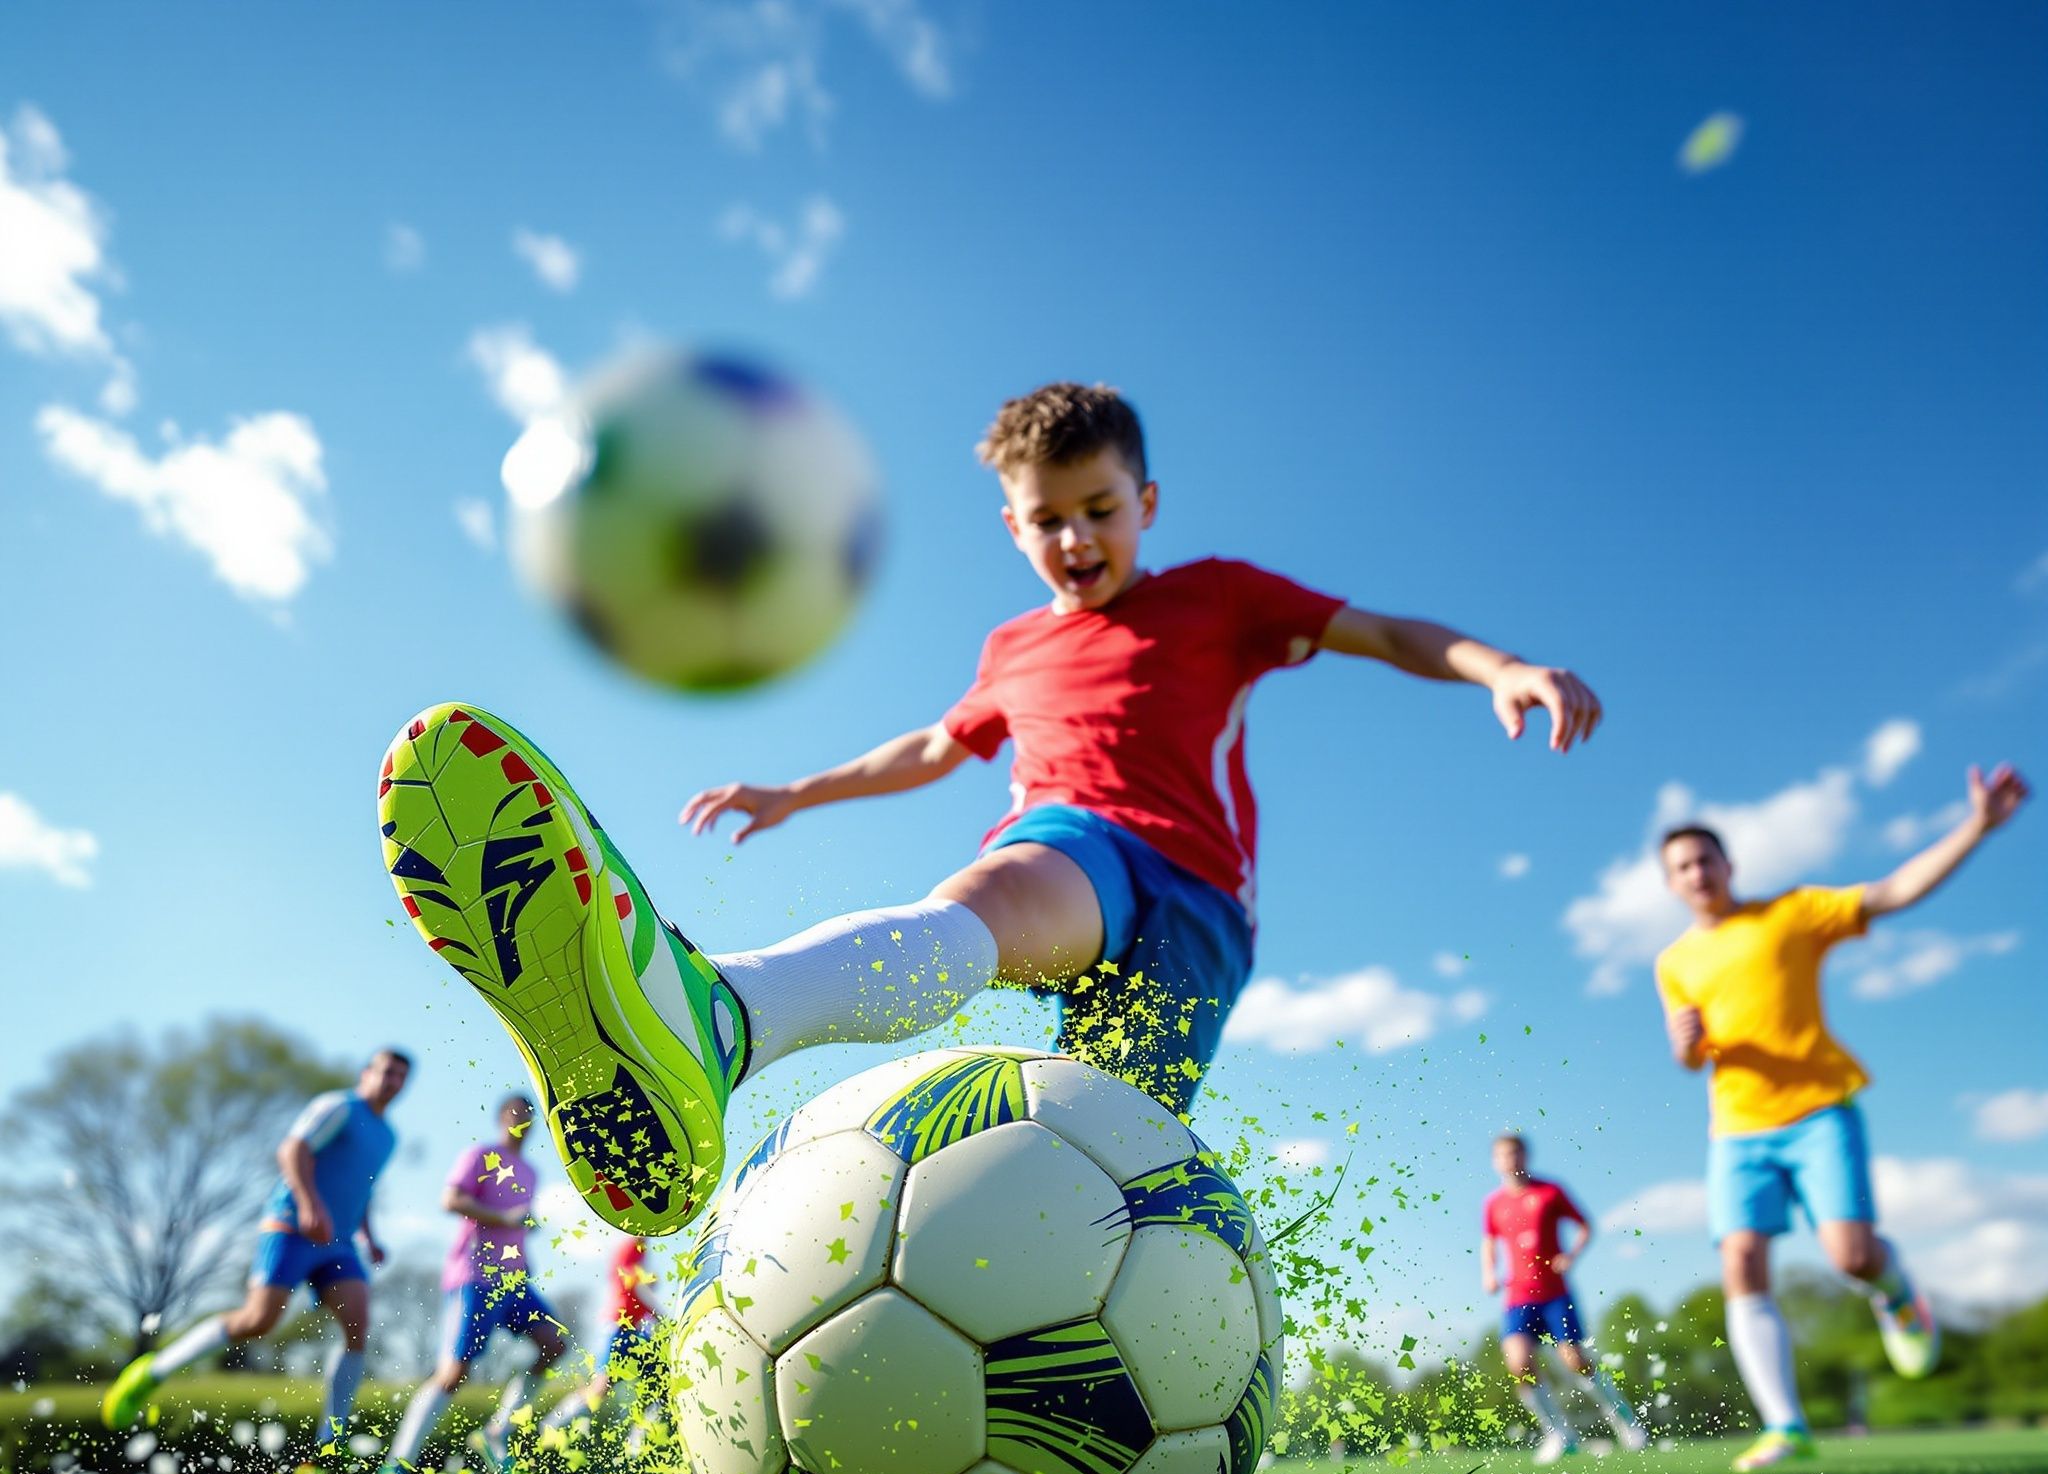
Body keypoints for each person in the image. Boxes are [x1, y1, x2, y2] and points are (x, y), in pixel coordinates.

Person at [378, 381, 1602, 1237]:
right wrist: (796, 791)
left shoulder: (1219, 599)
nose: (1074, 537)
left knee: (1088, 1173)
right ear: (1010, 524)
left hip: (1202, 912)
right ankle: (716, 1014)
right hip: (1079, 845)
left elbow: (1380, 629)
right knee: (987, 899)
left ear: (1147, 503)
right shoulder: (1013, 647)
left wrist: (1498, 667)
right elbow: (931, 745)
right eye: (1047, 518)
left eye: (1098, 509)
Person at [1656, 763, 2031, 1472]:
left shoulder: (1791, 914)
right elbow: (1693, 1053)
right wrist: (1682, 1050)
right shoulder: (1673, 962)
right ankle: (1786, 1425)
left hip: (1820, 1110)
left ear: (1727, 864)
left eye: (1705, 857)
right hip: (1735, 1129)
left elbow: (1891, 892)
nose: (1697, 871)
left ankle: (1897, 1291)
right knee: (1740, 1261)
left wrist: (1977, 826)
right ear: (1671, 884)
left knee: (1851, 1256)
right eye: (1681, 866)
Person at [102, 1050, 412, 1444]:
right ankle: (152, 1371)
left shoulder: (388, 1136)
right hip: (292, 1226)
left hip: (339, 1243)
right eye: (386, 1072)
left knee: (359, 1326)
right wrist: (308, 1204)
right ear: (366, 1073)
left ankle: (328, 1443)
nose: (392, 1082)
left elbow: (362, 1187)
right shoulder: (338, 1107)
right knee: (258, 1320)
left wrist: (369, 1235)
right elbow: (292, 1150)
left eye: (401, 1077)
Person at [379, 1092, 570, 1474]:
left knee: (555, 1343)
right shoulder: (482, 1156)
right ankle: (398, 1465)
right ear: (502, 1117)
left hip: (516, 1280)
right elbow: (450, 1200)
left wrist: (523, 1226)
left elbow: (515, 1220)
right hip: (476, 1277)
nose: (525, 1121)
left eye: (531, 1116)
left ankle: (496, 1432)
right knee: (454, 1373)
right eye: (518, 1114)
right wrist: (503, 1218)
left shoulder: (531, 1172)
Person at [1480, 1131, 1646, 1461]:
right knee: (1518, 1362)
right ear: (1495, 1161)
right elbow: (1489, 1240)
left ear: (1525, 1156)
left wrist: (1570, 1255)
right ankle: (1558, 1433)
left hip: (1555, 1293)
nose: (1510, 1160)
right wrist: (1488, 1271)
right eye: (1503, 1155)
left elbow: (1585, 1225)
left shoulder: (1550, 1192)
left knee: (1574, 1360)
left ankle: (1623, 1418)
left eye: (1516, 1153)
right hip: (1517, 1296)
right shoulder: (1494, 1203)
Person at [539, 1235, 664, 1447]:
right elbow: (636, 1286)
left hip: (634, 1329)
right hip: (619, 1327)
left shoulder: (641, 1248)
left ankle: (638, 1445)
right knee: (600, 1387)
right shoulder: (630, 1246)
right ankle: (554, 1423)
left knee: (659, 1381)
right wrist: (660, 1315)